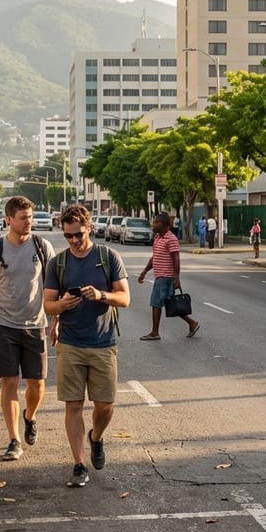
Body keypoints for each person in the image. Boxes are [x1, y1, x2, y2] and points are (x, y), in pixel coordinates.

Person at [43, 204, 130, 488]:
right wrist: (62, 305)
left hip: (103, 342)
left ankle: (96, 437)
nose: (73, 241)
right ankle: (79, 464)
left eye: (78, 235)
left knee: (105, 405)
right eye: (68, 236)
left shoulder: (108, 256)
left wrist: (102, 295)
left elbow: (125, 298)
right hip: (70, 342)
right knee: (73, 404)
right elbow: (48, 304)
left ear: (89, 228)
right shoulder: (58, 263)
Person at [0, 196, 56, 462]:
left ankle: (30, 416)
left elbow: (55, 288)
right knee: (9, 382)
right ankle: (14, 440)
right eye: (23, 218)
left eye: (30, 217)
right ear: (8, 220)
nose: (28, 223)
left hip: (36, 325)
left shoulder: (42, 246)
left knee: (37, 383)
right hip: (4, 325)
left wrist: (56, 322)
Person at [138, 212, 200, 341]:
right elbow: (154, 257)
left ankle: (155, 332)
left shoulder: (171, 239)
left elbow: (176, 259)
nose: (153, 225)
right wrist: (144, 271)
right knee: (170, 304)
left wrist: (176, 278)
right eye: (154, 222)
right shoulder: (157, 237)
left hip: (165, 277)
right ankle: (192, 323)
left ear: (165, 225)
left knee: (156, 304)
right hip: (160, 275)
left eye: (156, 223)